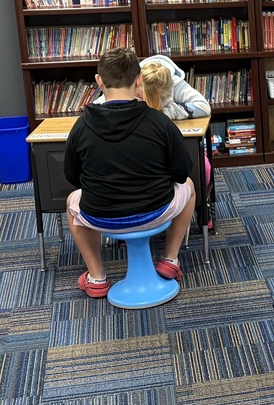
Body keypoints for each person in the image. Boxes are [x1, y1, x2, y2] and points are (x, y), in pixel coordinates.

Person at [64, 47, 196, 298]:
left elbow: (72, 177)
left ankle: (96, 277)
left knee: (72, 200)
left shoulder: (81, 126)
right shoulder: (160, 123)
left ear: (99, 81)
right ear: (138, 80)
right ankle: (170, 259)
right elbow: (180, 173)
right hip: (155, 213)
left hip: (101, 217)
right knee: (189, 186)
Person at [94, 54, 211, 120]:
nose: (139, 99)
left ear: (163, 95)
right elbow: (97, 106)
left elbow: (203, 106)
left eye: (147, 99)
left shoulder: (175, 84)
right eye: (138, 95)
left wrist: (165, 113)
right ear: (137, 81)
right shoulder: (130, 81)